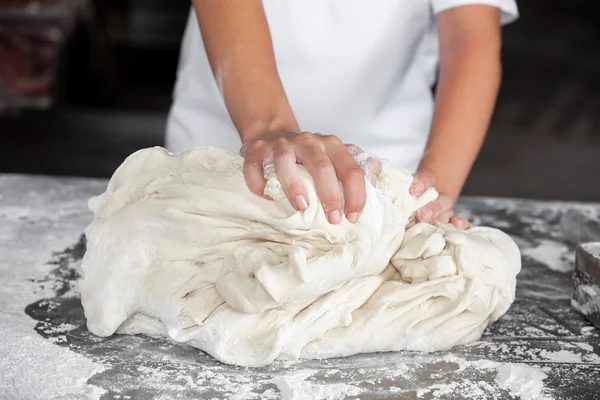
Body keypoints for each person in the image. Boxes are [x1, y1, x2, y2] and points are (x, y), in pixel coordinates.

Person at [165, 0, 518, 228]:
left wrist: (432, 193)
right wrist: (270, 127)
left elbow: (469, 33)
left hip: (384, 184)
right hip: (217, 166)